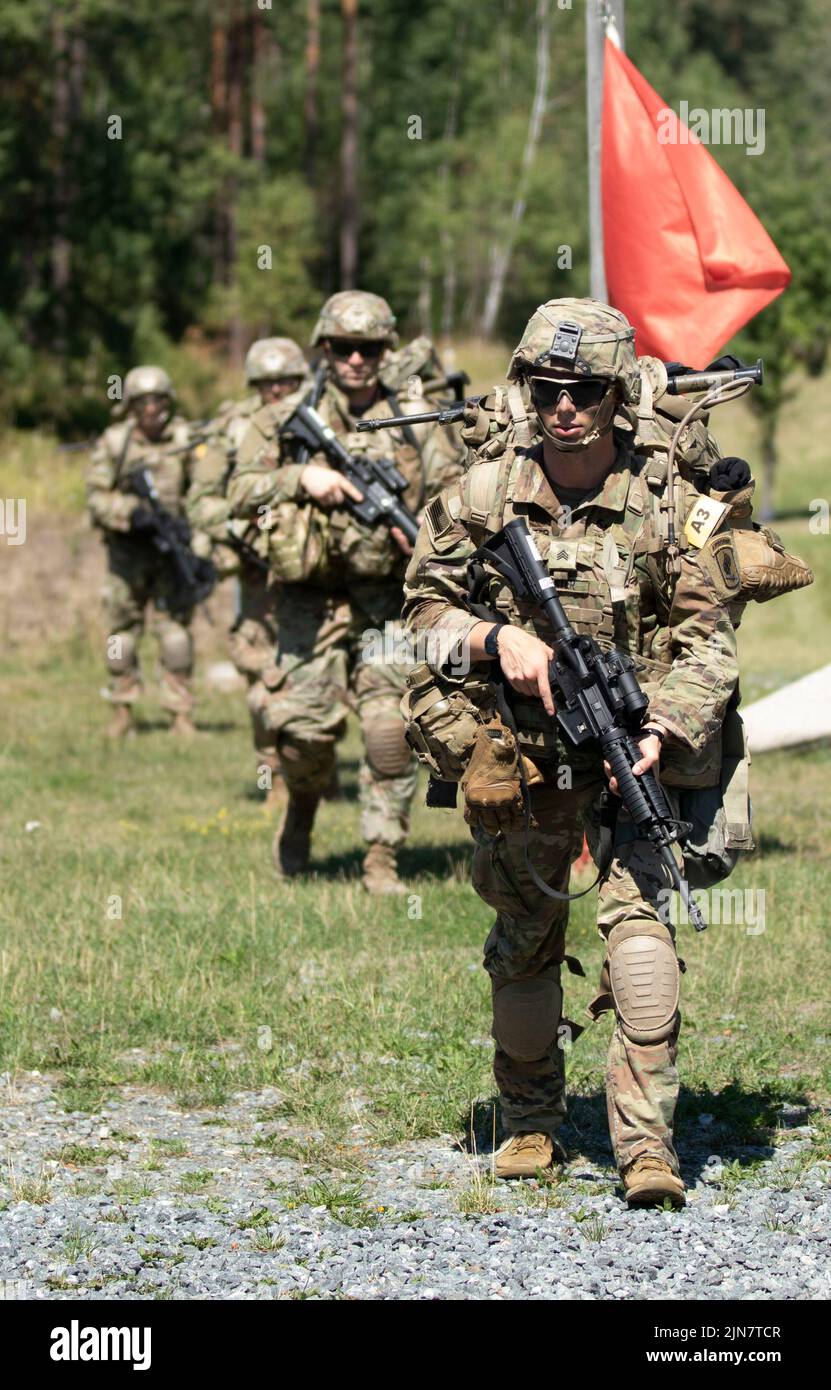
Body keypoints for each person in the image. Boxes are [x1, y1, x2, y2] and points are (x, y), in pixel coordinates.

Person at [401, 298, 748, 1206]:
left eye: (584, 389)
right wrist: (492, 641)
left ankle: (644, 1148)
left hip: (635, 749)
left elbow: (706, 634)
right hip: (520, 750)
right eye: (547, 388)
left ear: (614, 397)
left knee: (640, 945)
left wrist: (663, 723)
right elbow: (418, 620)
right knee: (523, 939)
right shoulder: (480, 495)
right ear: (526, 389)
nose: (564, 406)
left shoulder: (669, 499)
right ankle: (527, 1125)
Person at [227, 290, 464, 894]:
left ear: (386, 350)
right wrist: (301, 476)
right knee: (302, 735)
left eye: (369, 349)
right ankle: (302, 807)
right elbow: (238, 491)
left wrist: (428, 534)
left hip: (387, 598)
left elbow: (454, 494)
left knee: (388, 729)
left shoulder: (414, 421)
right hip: (309, 597)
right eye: (343, 348)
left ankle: (380, 859)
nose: (356, 360)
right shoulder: (285, 416)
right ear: (324, 349)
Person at [187, 338, 311, 801]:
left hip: (317, 571)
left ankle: (315, 770)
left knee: (323, 674)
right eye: (268, 383)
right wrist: (247, 529)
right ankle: (273, 772)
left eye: (287, 382)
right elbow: (200, 504)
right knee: (264, 675)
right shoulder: (233, 428)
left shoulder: (323, 416)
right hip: (260, 575)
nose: (278, 390)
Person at [86, 365, 208, 738]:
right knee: (120, 636)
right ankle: (121, 709)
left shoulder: (186, 439)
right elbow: (95, 497)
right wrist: (129, 513)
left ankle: (180, 713)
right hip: (128, 554)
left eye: (157, 401)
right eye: (142, 402)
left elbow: (203, 492)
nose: (151, 409)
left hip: (172, 553)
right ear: (131, 406)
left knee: (175, 636)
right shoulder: (115, 442)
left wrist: (197, 538)